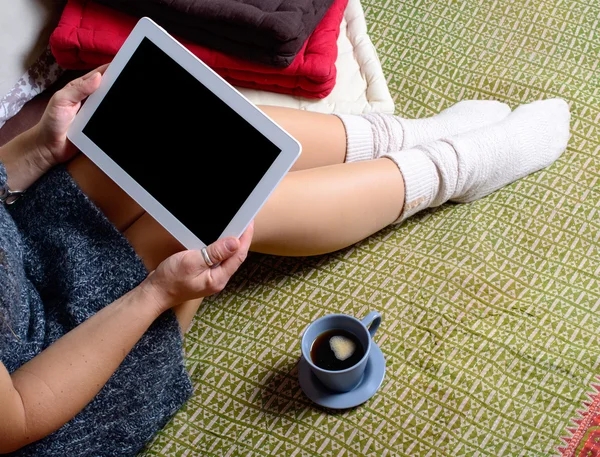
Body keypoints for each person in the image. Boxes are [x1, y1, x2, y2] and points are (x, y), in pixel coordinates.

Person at [0, 65, 570, 456]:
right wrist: (157, 292)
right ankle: (452, 169)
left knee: (177, 126)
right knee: (223, 205)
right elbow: (20, 413)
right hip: (51, 387)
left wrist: (33, 151)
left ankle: (404, 137)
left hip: (18, 256)